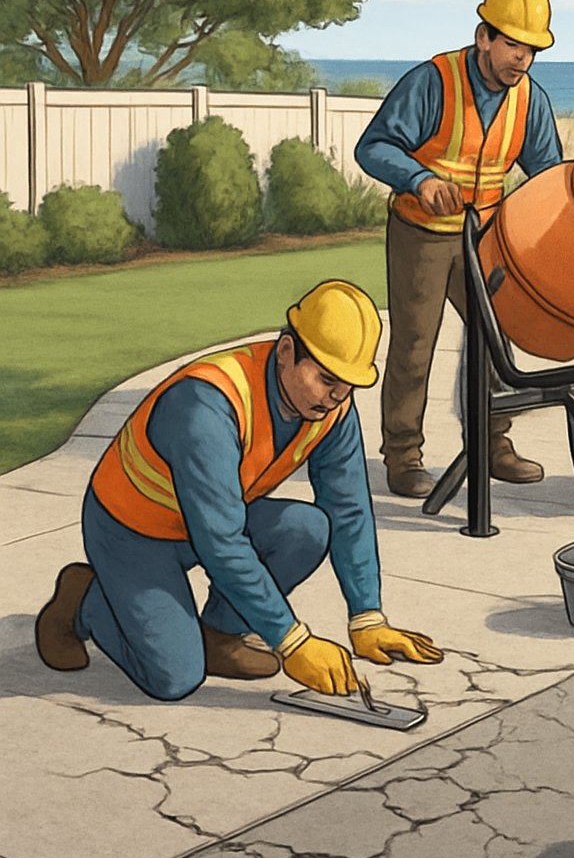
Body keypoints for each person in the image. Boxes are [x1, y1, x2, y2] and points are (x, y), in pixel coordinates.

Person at [35, 280, 444, 701]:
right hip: (132, 531)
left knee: (306, 529)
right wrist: (292, 642)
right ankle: (83, 599)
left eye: (348, 385)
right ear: (286, 351)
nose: (336, 397)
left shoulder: (331, 406)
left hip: (203, 521)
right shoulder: (206, 404)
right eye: (326, 379)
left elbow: (348, 508)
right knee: (175, 677)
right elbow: (221, 542)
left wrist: (366, 617)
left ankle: (219, 635)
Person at [355, 0, 565, 497]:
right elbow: (373, 147)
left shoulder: (530, 101)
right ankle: (403, 456)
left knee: (496, 338)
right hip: (421, 235)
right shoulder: (432, 82)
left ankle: (492, 442)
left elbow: (547, 175)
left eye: (531, 50)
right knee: (414, 346)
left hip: (486, 236)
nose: (522, 60)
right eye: (513, 45)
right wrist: (420, 180)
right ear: (483, 37)